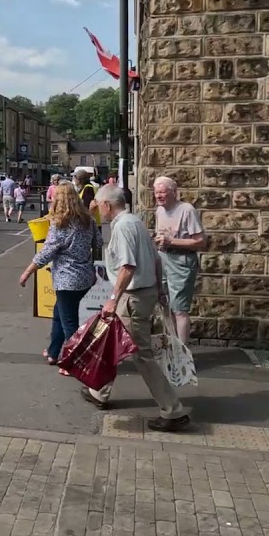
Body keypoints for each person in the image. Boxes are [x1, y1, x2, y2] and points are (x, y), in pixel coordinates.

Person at [82, 184, 191, 432]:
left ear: (107, 205)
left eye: (99, 206)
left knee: (141, 355)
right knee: (111, 342)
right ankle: (99, 391)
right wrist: (160, 288)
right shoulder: (136, 221)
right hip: (143, 293)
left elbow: (127, 267)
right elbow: (154, 258)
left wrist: (112, 298)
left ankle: (172, 410)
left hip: (133, 296)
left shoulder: (122, 227)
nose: (98, 210)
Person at [18, 184, 100, 375]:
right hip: (85, 278)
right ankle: (54, 352)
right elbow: (98, 243)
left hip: (67, 280)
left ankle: (73, 362)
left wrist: (27, 272)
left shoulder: (60, 224)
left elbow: (46, 253)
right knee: (59, 314)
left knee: (69, 321)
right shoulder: (88, 220)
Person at [153, 176, 206, 344]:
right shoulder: (159, 211)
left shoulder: (187, 210)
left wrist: (171, 241)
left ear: (174, 192)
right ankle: (171, 347)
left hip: (182, 262)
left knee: (179, 310)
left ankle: (183, 352)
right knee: (164, 307)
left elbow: (200, 241)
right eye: (156, 192)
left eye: (162, 192)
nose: (159, 196)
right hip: (163, 259)